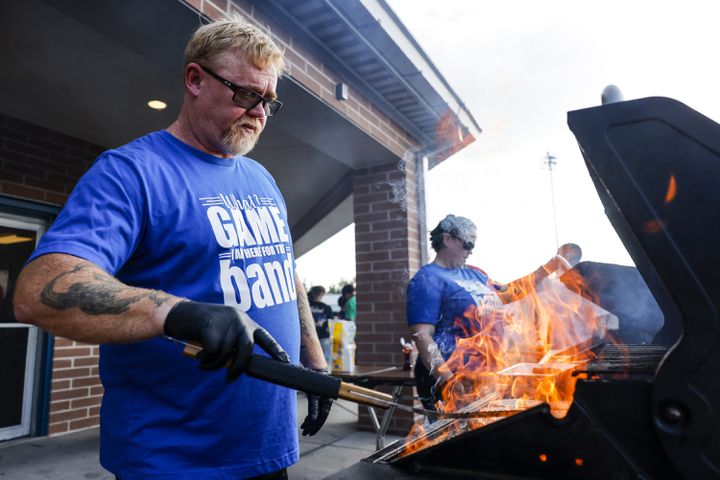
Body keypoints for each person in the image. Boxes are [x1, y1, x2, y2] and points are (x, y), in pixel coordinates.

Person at [13, 15, 332, 480]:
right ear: (195, 79)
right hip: (174, 458)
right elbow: (40, 287)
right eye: (246, 94)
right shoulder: (129, 172)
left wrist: (315, 361)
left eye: (269, 101)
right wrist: (179, 313)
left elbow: (284, 266)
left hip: (266, 447)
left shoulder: (261, 177)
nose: (259, 113)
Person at [406, 214, 576, 410]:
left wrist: (548, 268)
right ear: (447, 239)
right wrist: (448, 381)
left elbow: (509, 292)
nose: (470, 251)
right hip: (453, 379)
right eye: (468, 244)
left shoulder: (475, 272)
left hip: (483, 377)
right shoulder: (427, 278)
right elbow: (422, 335)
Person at [308, 285, 333, 366]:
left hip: (309, 336)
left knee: (310, 360)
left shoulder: (306, 306)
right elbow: (331, 322)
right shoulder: (326, 307)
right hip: (324, 335)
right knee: (325, 360)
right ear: (322, 294)